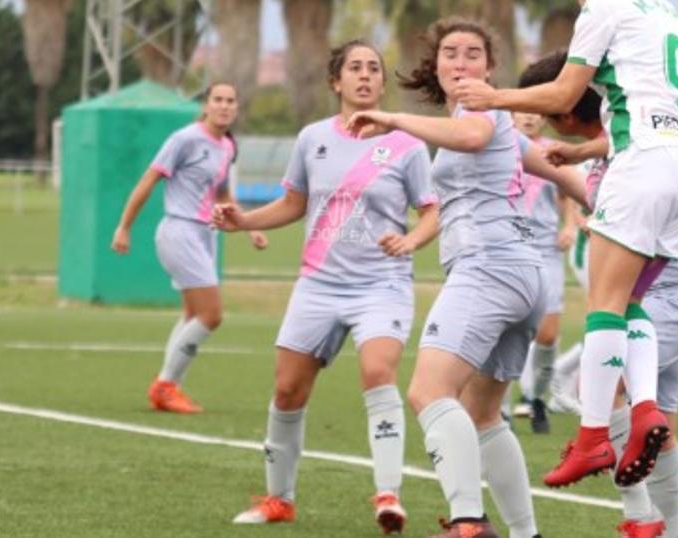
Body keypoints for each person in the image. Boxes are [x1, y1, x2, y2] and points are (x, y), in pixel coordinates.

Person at [454, 0, 678, 489]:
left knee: (604, 304)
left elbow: (565, 94)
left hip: (644, 165)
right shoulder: (664, 7)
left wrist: (493, 96)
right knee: (633, 302)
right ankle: (644, 408)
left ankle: (593, 437)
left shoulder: (602, 3)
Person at [347, 19, 587, 538]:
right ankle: (525, 533)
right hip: (524, 276)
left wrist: (393, 118)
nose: (461, 63)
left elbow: (473, 134)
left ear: (490, 68)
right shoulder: (486, 118)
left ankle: (467, 524)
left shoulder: (482, 113)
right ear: (436, 66)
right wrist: (599, 203)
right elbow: (554, 167)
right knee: (483, 415)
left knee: (429, 392)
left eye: (473, 54)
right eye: (450, 54)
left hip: (490, 270)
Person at [213, 41, 439, 532]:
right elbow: (293, 204)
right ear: (336, 82)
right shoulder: (311, 138)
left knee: (379, 371)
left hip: (381, 284)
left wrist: (411, 240)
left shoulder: (407, 144)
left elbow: (432, 210)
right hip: (318, 284)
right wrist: (242, 221)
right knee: (288, 390)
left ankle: (388, 495)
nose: (364, 76)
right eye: (354, 68)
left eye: (373, 69)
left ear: (382, 82)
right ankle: (280, 500)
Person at [518, 52, 678, 538]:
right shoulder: (624, 150)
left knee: (598, 387)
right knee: (657, 426)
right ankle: (669, 530)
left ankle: (639, 514)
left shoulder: (627, 154)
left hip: (669, 298)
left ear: (565, 113)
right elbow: (572, 180)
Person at [111, 82, 268, 414]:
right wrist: (124, 227)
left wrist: (249, 227)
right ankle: (165, 386)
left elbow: (222, 194)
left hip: (204, 234)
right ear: (206, 105)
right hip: (179, 230)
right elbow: (148, 180)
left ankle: (169, 387)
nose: (224, 106)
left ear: (237, 108)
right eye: (218, 100)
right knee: (211, 315)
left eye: (231, 100)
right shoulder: (184, 139)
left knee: (193, 315)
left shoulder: (226, 146)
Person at [510, 110, 580, 434]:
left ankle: (536, 397)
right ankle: (498, 409)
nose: (529, 119)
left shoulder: (555, 151)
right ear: (511, 116)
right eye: (523, 113)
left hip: (547, 249)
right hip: (507, 249)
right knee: (503, 327)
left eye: (536, 114)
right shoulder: (499, 146)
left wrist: (569, 225)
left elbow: (568, 195)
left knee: (548, 333)